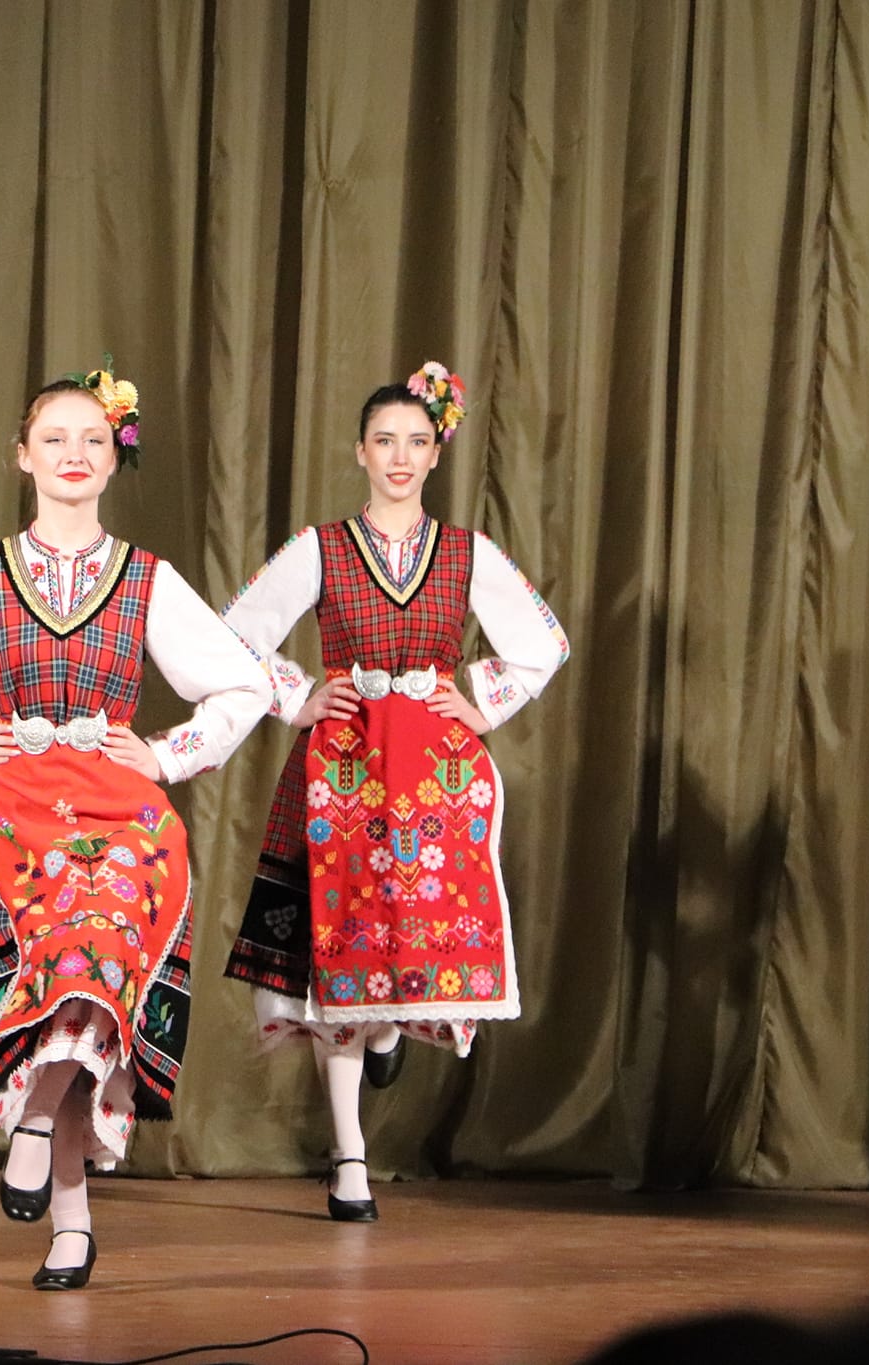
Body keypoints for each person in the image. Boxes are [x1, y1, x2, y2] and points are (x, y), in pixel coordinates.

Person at [0, 362, 270, 1289]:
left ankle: (39, 1123)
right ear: (22, 455)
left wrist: (166, 754)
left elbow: (243, 682)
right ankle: (73, 1224)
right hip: (13, 813)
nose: (74, 453)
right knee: (70, 986)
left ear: (115, 457)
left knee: (97, 961)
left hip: (125, 815)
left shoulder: (146, 579)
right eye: (54, 438)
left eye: (92, 438)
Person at [221, 362, 569, 1219]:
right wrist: (297, 695)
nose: (401, 456)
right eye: (385, 440)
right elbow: (233, 633)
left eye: (416, 441)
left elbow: (543, 642)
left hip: (433, 774)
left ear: (436, 453)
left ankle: (386, 1029)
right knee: (339, 951)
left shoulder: (466, 553)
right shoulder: (321, 548)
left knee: (401, 939)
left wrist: (481, 701)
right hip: (344, 766)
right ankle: (349, 1155)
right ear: (360, 452)